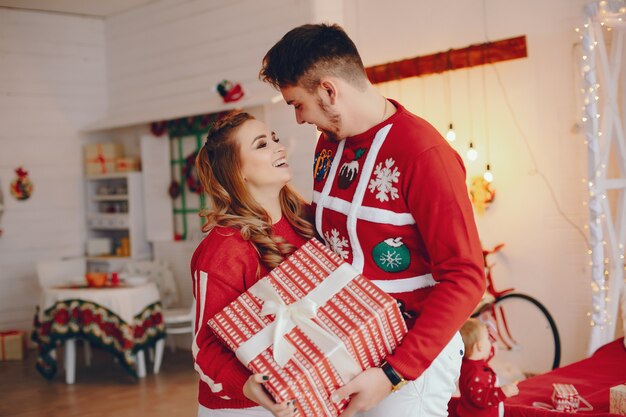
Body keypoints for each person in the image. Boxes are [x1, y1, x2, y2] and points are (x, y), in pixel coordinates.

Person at [260, 23, 485, 417]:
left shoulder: (423, 153)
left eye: (297, 104)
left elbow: (465, 277)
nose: (298, 120)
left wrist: (392, 374)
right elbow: (331, 231)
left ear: (329, 91)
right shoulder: (328, 143)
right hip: (346, 344)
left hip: (407, 359)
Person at [191, 111, 315, 417]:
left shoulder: (308, 219)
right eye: (261, 144)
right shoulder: (223, 250)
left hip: (303, 391)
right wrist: (246, 385)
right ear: (238, 171)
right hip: (242, 408)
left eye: (274, 139)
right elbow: (204, 348)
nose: (279, 147)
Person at [456, 319, 519, 417]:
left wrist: (492, 345)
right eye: (488, 339)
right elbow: (480, 398)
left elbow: (488, 353)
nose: (491, 343)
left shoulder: (470, 361)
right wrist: (502, 392)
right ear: (480, 346)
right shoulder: (474, 372)